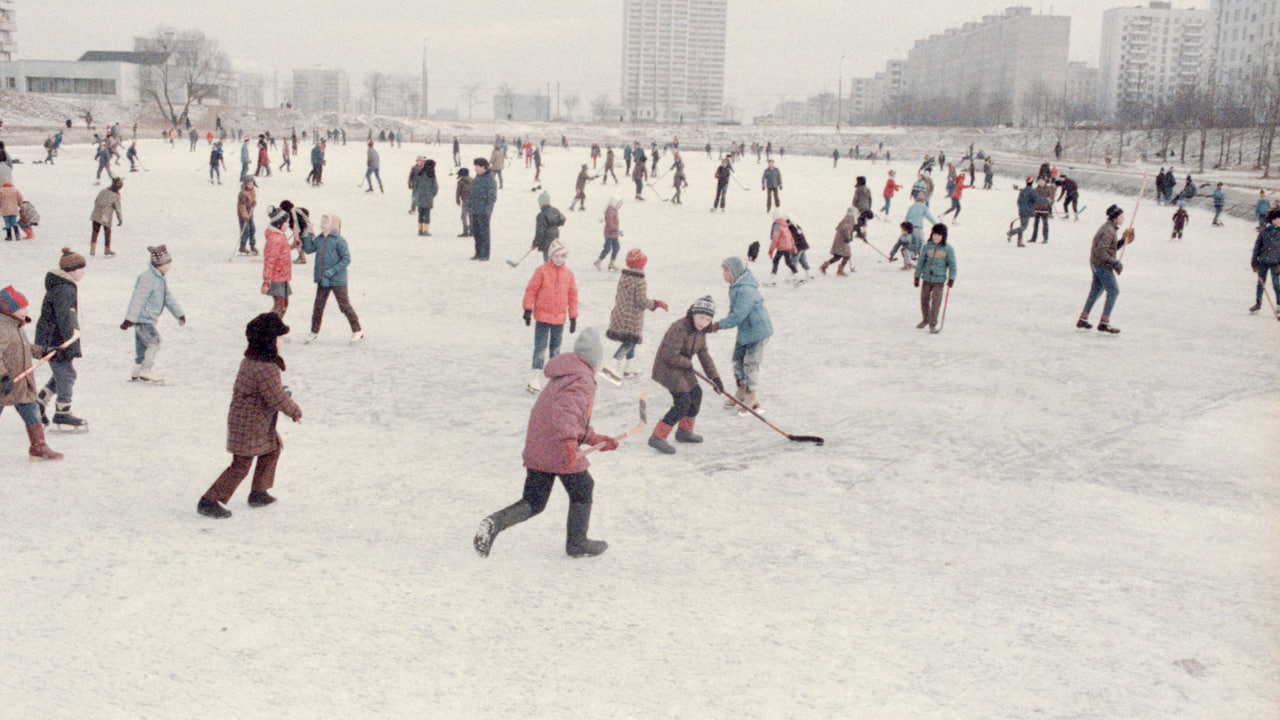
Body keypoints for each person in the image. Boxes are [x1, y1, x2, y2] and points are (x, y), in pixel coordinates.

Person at [472, 327, 614, 558]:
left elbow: (570, 417)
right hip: (559, 448)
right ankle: (577, 543)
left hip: (541, 445)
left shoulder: (566, 374)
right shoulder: (583, 379)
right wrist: (570, 444)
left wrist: (595, 439)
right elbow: (566, 415)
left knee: (534, 501)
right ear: (593, 360)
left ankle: (494, 523)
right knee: (583, 489)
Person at [197, 312, 302, 519]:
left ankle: (259, 492)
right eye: (279, 338)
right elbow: (276, 397)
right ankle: (209, 500)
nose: (282, 342)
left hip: (251, 421)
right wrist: (294, 410)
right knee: (241, 465)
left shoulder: (251, 360)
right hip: (249, 425)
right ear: (268, 342)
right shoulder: (266, 368)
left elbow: (269, 391)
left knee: (272, 449)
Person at [648, 295, 721, 454]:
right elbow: (669, 355)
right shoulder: (680, 327)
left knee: (696, 394)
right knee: (683, 401)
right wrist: (688, 364)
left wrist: (715, 378)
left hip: (682, 366)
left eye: (708, 319)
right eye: (701, 317)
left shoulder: (701, 332)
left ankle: (684, 432)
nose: (703, 322)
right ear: (693, 313)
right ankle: (658, 436)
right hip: (667, 368)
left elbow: (704, 355)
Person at [1, 285, 63, 460]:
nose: (26, 311)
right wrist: (3, 376)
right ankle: (39, 447)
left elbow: (23, 347)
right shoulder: (2, 328)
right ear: (9, 310)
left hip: (20, 383)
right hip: (5, 383)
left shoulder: (15, 325)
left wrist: (43, 351)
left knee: (32, 411)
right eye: (22, 308)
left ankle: (38, 448)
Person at [33, 249, 87, 430]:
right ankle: (62, 412)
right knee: (67, 375)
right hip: (55, 340)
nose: (84, 272)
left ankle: (39, 403)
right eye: (81, 268)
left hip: (53, 337)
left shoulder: (63, 286)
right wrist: (69, 342)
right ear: (72, 270)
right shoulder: (64, 289)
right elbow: (65, 318)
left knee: (63, 373)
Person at [711, 256, 772, 414]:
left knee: (750, 364)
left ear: (734, 272)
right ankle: (741, 391)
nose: (723, 274)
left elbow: (738, 316)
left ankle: (751, 396)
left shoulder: (746, 290)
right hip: (745, 330)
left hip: (757, 331)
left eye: (726, 271)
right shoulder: (735, 286)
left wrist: (718, 325)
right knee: (737, 360)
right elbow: (735, 309)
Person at [121, 245, 186, 382]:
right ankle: (146, 370)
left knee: (142, 347)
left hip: (147, 317)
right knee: (154, 342)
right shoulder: (147, 278)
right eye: (166, 263)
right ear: (158, 264)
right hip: (144, 318)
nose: (169, 266)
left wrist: (179, 314)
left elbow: (167, 297)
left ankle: (137, 370)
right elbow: (138, 298)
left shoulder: (160, 278)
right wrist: (130, 319)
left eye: (169, 263)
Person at [522, 240, 578, 393]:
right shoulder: (541, 271)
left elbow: (573, 296)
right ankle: (535, 376)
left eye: (563, 256)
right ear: (551, 256)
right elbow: (531, 290)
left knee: (555, 349)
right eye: (557, 256)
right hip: (542, 317)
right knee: (540, 348)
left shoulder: (569, 274)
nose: (560, 259)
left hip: (559, 319)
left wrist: (573, 317)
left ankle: (555, 377)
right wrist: (527, 309)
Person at [605, 248, 668, 379]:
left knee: (631, 339)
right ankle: (613, 363)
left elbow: (618, 296)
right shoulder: (640, 280)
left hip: (620, 312)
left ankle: (629, 366)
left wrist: (616, 309)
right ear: (642, 264)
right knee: (630, 340)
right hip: (632, 317)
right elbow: (641, 301)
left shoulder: (624, 277)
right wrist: (656, 303)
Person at [301, 215, 363, 343]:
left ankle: (357, 330)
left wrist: (333, 271)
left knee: (344, 305)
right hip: (323, 280)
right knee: (318, 306)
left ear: (333, 225)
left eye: (325, 222)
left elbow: (346, 259)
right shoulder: (319, 239)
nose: (322, 224)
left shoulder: (339, 240)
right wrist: (308, 234)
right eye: (321, 222)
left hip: (337, 280)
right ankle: (314, 331)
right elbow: (308, 249)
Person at [1077, 204, 1134, 334]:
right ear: (1115, 218)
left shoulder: (1109, 228)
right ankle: (1104, 323)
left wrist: (1123, 241)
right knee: (1113, 290)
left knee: (1096, 291)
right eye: (1121, 216)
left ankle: (1083, 319)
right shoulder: (1108, 231)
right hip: (1101, 265)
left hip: (1096, 263)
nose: (1123, 219)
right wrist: (1115, 263)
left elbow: (1109, 248)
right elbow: (1102, 252)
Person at [913, 223, 956, 333]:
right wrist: (917, 276)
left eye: (939, 235)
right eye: (934, 235)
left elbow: (952, 265)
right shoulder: (927, 247)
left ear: (943, 236)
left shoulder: (948, 249)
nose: (936, 237)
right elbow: (920, 263)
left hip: (939, 281)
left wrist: (951, 278)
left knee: (936, 302)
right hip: (927, 279)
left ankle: (933, 323)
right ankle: (925, 319)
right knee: (924, 300)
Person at [262, 206, 294, 317]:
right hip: (276, 278)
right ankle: (268, 328)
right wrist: (267, 280)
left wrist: (292, 246)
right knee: (279, 305)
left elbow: (282, 253)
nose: (288, 224)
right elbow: (270, 261)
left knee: (284, 304)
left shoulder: (280, 236)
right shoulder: (275, 239)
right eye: (286, 222)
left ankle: (277, 327)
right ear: (279, 223)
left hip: (283, 277)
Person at [1250, 208, 1280, 316]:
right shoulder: (1264, 232)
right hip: (1262, 261)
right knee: (1260, 284)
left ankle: (1279, 305)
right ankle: (1258, 303)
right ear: (1273, 220)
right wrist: (1254, 261)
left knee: (1277, 284)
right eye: (1278, 218)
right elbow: (1257, 246)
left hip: (1275, 263)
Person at [467, 158, 497, 261]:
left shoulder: (490, 179)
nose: (475, 168)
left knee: (484, 233)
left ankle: (485, 254)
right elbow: (472, 193)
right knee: (476, 232)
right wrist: (469, 204)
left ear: (483, 167)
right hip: (475, 209)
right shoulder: (477, 178)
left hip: (484, 210)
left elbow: (492, 196)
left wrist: (488, 209)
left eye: (477, 166)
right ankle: (478, 252)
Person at [90, 177, 124, 257]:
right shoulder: (116, 195)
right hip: (106, 216)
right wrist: (120, 219)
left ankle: (92, 248)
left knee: (95, 231)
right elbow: (118, 208)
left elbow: (96, 200)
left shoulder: (103, 191)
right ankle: (107, 249)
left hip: (96, 213)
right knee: (107, 233)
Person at [529, 191, 566, 263]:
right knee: (554, 256)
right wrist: (554, 224)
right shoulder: (555, 210)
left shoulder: (541, 215)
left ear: (541, 202)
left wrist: (535, 243)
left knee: (547, 258)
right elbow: (562, 220)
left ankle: (550, 272)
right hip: (555, 237)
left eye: (539, 202)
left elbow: (540, 231)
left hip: (546, 240)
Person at [821, 207, 858, 276]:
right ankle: (839, 270)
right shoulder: (850, 219)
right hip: (843, 239)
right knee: (846, 255)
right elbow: (846, 228)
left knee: (838, 255)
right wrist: (848, 237)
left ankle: (825, 266)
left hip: (840, 238)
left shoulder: (847, 218)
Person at [766, 210, 800, 285]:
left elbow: (775, 238)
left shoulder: (777, 225)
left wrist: (771, 250)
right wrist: (792, 245)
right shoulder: (784, 223)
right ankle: (796, 275)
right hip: (787, 246)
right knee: (784, 261)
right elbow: (790, 235)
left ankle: (773, 278)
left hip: (782, 247)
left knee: (778, 261)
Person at [411, 159, 439, 236]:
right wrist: (432, 194)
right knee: (427, 214)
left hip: (419, 197)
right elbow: (435, 187)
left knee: (420, 214)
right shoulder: (432, 175)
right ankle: (426, 230)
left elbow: (415, 185)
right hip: (428, 198)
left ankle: (420, 230)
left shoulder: (419, 174)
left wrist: (417, 193)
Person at [1007, 177, 1037, 247]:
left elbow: (1019, 201)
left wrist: (1021, 209)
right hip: (1028, 211)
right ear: (1032, 183)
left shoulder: (1022, 191)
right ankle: (1011, 232)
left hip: (1021, 211)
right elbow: (1036, 201)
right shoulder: (1032, 191)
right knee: (1024, 227)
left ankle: (1019, 242)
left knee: (1022, 226)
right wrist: (1046, 200)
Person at [596, 197, 624, 271]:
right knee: (607, 248)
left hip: (614, 234)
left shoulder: (613, 211)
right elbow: (609, 223)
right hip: (609, 234)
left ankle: (611, 263)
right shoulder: (611, 211)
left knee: (616, 247)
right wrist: (617, 230)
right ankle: (599, 261)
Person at [237, 178, 258, 256]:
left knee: (252, 229)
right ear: (245, 184)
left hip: (250, 214)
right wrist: (244, 215)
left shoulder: (252, 191)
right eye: (249, 184)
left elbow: (253, 200)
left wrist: (254, 203)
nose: (250, 185)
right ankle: (242, 246)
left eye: (252, 184)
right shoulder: (242, 193)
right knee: (245, 230)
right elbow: (242, 206)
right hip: (243, 215)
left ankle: (252, 245)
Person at [1030, 178, 1054, 243]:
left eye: (1042, 182)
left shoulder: (1048, 189)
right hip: (1037, 209)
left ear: (1044, 182)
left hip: (1045, 210)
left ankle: (1045, 239)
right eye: (1039, 182)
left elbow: (1051, 200)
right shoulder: (1036, 189)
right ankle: (1033, 238)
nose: (1040, 183)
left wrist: (1050, 211)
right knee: (1035, 225)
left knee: (1045, 225)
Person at [0, 178, 22, 242]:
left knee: (7, 222)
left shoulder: (1, 191)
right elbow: (20, 199)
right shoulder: (15, 190)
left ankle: (9, 236)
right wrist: (20, 205)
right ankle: (17, 235)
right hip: (13, 209)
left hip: (5, 209)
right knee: (14, 222)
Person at [455, 168, 472, 238]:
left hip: (465, 199)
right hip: (473, 200)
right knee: (471, 215)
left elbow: (458, 191)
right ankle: (472, 230)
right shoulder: (473, 180)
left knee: (464, 216)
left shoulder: (461, 181)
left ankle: (465, 231)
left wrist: (457, 199)